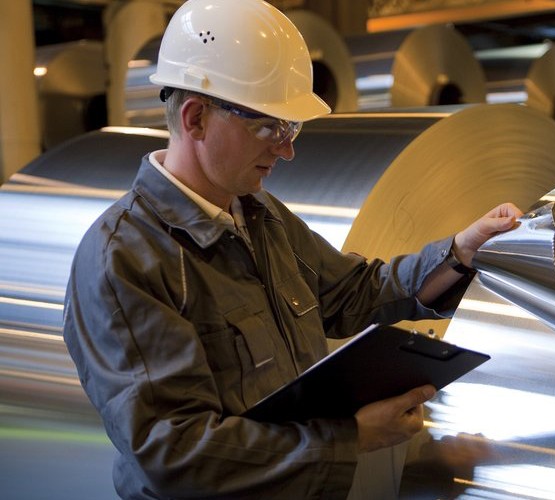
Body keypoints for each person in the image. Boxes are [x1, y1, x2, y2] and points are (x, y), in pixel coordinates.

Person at [62, 0, 522, 498]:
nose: (287, 149)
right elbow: (172, 452)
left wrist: (459, 253)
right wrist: (353, 438)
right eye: (269, 127)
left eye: (291, 127)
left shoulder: (259, 215)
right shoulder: (124, 259)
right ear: (195, 119)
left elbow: (351, 292)